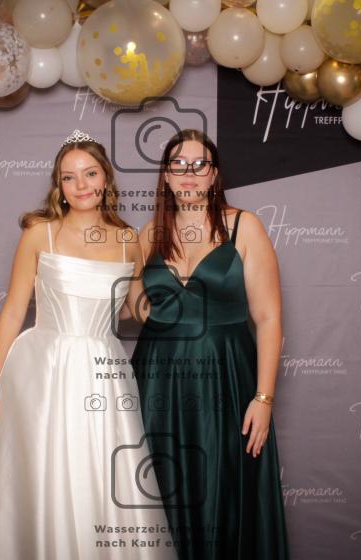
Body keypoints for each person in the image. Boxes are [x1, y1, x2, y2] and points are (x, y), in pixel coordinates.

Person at [0, 130, 174, 560]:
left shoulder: (128, 240)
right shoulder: (40, 234)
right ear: (58, 186)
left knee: (98, 473)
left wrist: (186, 293)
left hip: (103, 373)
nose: (81, 185)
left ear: (106, 177)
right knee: (42, 475)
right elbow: (12, 311)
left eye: (90, 173)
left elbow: (134, 308)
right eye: (69, 177)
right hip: (44, 372)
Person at [132, 129, 289, 559]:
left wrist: (264, 398)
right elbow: (136, 311)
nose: (189, 173)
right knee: (157, 489)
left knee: (223, 487)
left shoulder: (244, 226)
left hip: (226, 378)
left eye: (199, 164)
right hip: (157, 380)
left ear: (214, 174)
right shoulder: (149, 234)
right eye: (178, 164)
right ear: (166, 176)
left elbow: (268, 318)